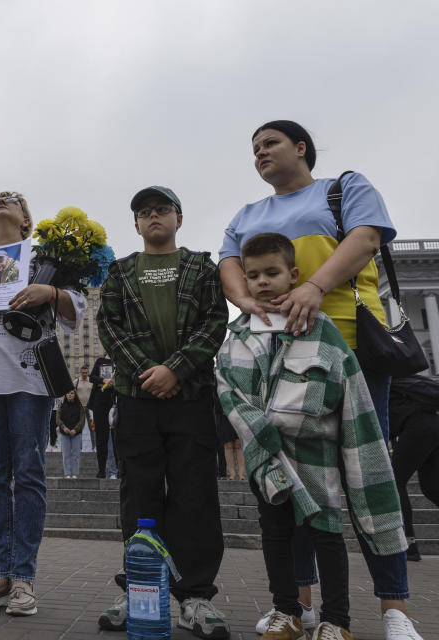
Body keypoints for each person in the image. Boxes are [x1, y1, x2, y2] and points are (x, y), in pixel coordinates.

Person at [219, 120, 422, 640]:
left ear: (301, 148)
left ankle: (393, 609)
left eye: (271, 143)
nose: (260, 153)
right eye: (255, 148)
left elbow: (367, 238)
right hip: (278, 359)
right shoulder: (246, 215)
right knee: (292, 478)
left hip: (347, 346)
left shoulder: (344, 187)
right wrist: (250, 306)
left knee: (369, 475)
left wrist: (312, 287)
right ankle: (300, 605)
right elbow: (230, 267)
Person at [96, 186, 229, 638]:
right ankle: (137, 589)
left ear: (179, 217)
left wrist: (175, 369)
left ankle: (195, 597)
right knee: (140, 494)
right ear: (135, 224)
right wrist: (150, 373)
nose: (153, 216)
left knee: (195, 496)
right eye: (144, 212)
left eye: (162, 210)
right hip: (136, 399)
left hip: (191, 397)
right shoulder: (120, 271)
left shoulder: (201, 266)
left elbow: (215, 322)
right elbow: (109, 327)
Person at [0, 190, 85, 616]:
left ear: (26, 219)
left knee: (28, 473)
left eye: (13, 199)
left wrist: (49, 292)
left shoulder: (45, 256)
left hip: (29, 374)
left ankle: (23, 577)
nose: (2, 202)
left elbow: (75, 309)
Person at [388, 376, 439, 562]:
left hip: (417, 427)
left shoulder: (378, 385)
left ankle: (409, 545)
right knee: (431, 488)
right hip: (433, 423)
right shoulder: (395, 380)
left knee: (396, 482)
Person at [88, 356, 115, 476]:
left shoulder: (120, 360)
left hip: (116, 400)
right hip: (100, 401)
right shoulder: (100, 361)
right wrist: (103, 381)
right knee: (101, 437)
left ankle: (118, 470)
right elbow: (91, 377)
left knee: (117, 437)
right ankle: (102, 470)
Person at [57, 389, 85, 479]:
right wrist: (63, 427)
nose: (70, 395)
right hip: (65, 433)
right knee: (66, 454)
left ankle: (75, 473)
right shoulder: (61, 406)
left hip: (76, 434)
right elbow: (58, 419)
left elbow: (82, 421)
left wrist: (75, 430)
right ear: (65, 395)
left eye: (72, 393)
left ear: (75, 395)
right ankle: (67, 473)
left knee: (76, 454)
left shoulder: (80, 406)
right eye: (68, 393)